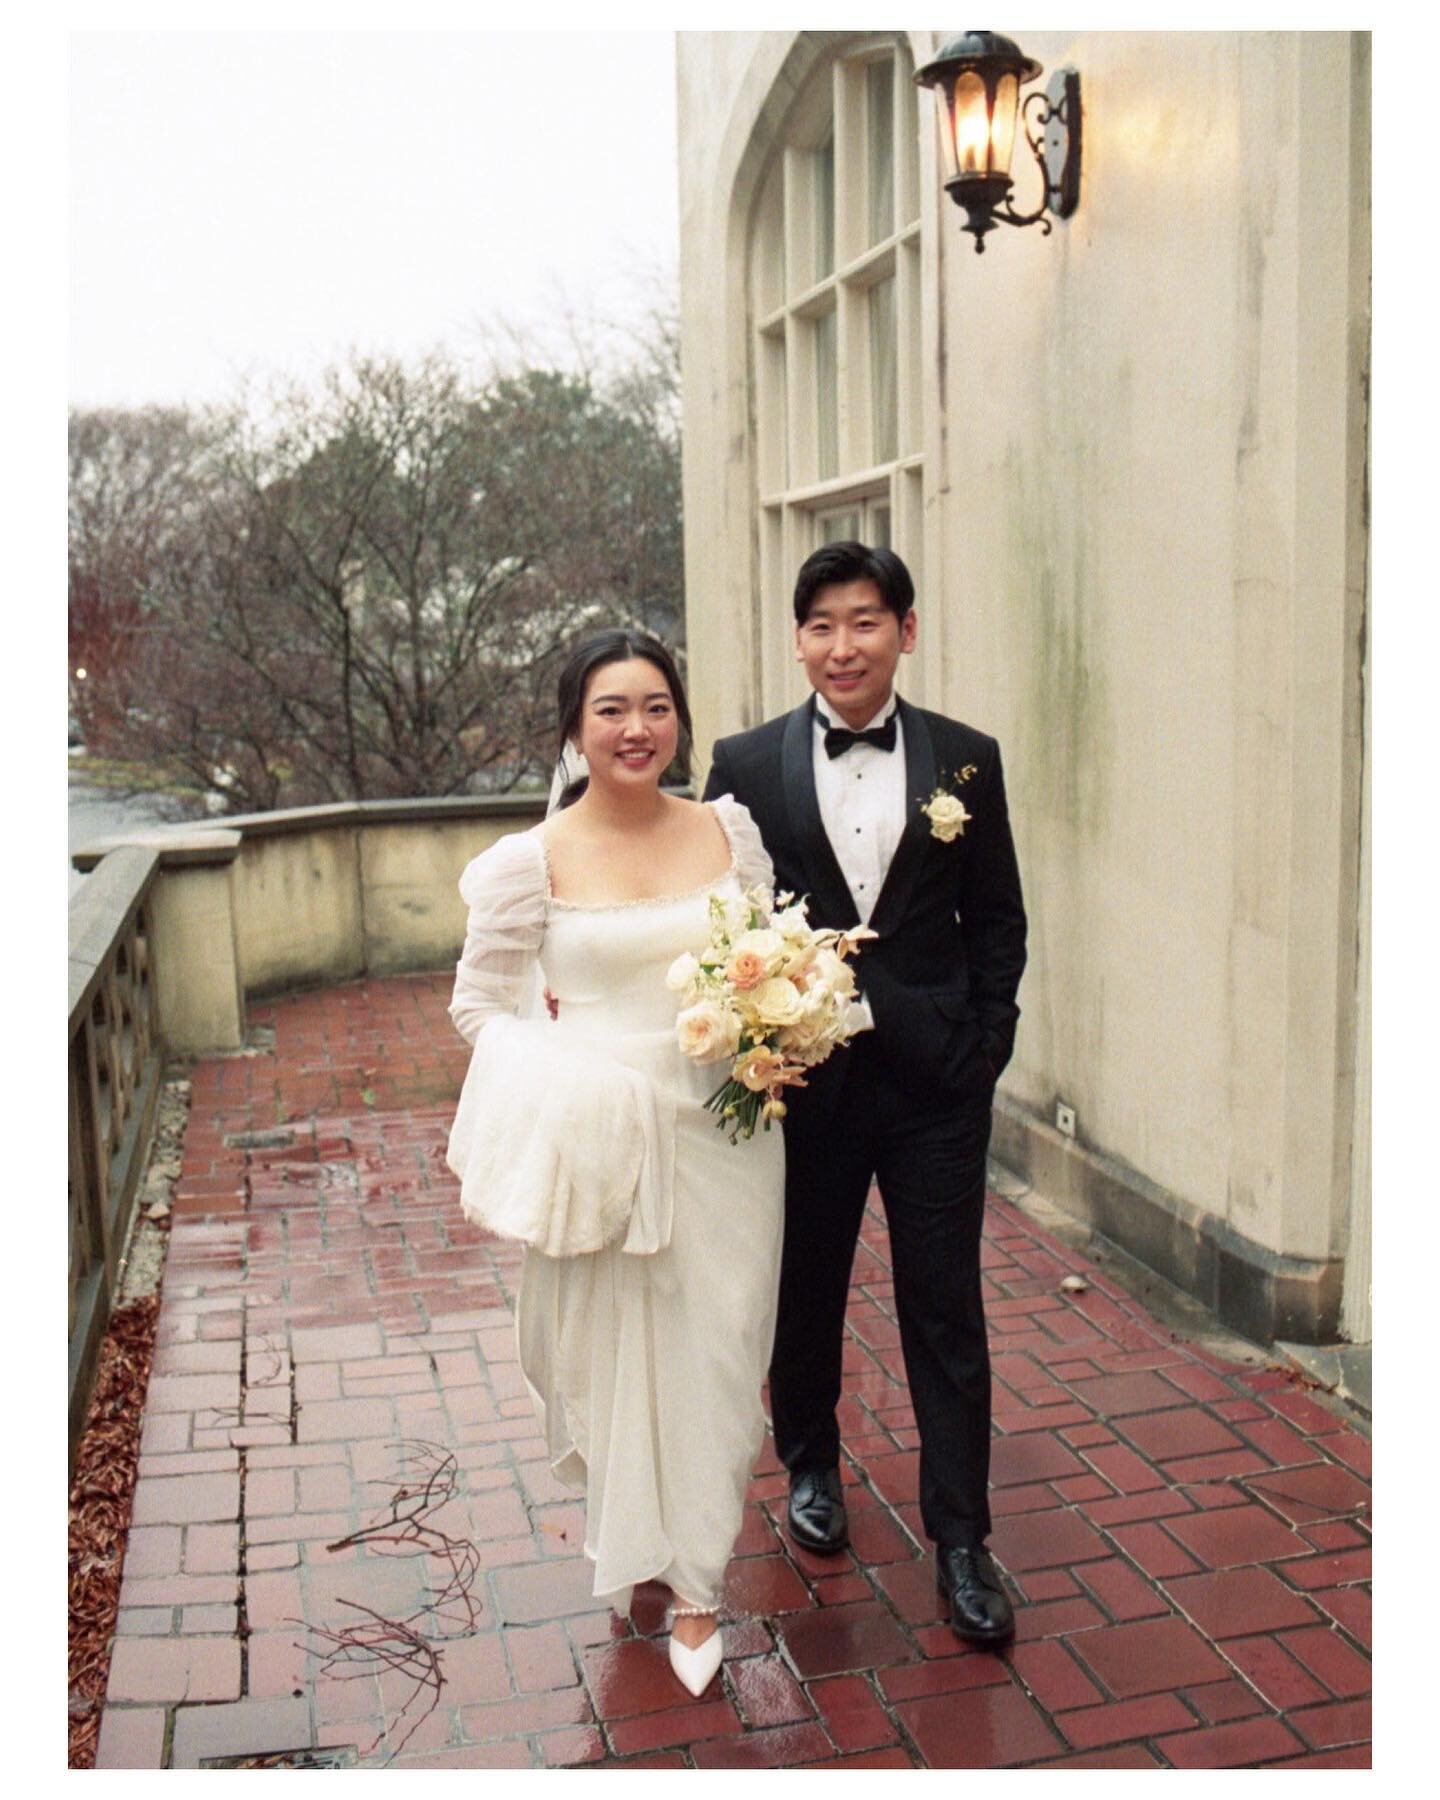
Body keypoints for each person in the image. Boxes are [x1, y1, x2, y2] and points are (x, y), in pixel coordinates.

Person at [447, 629, 784, 1697]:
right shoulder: (527, 861)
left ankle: (698, 1584)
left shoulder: (731, 832)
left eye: (654, 705)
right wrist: (568, 1081)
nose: (635, 728)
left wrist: (786, 1032)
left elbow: (768, 962)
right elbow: (477, 1006)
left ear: (679, 716)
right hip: (599, 1138)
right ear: (574, 726)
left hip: (726, 1130)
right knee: (609, 1353)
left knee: (720, 1353)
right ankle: (638, 1534)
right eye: (610, 709)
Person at [703, 542, 1027, 1647]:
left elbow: (997, 920)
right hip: (808, 1085)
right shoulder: (742, 762)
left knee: (944, 1308)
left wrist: (985, 1045)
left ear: (907, 629)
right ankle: (810, 1466)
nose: (845, 645)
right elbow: (723, 925)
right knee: (806, 1289)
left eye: (866, 622)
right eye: (823, 625)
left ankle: (965, 1541)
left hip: (938, 1084)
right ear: (799, 640)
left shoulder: (967, 763)